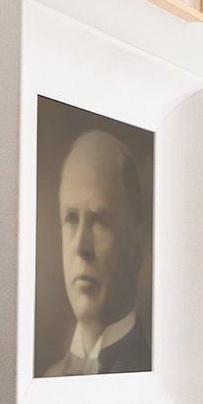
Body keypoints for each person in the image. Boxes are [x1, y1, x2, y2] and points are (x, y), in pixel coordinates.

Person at [40, 129, 150, 377]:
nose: (81, 247)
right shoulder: (47, 379)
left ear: (135, 250)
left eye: (99, 220)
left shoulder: (150, 375)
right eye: (70, 219)